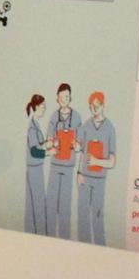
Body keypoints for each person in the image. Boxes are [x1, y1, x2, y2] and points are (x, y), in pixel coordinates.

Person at [78, 90, 118, 245]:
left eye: (96, 106)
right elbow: (82, 153)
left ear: (103, 106)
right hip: (84, 178)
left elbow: (112, 162)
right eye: (91, 107)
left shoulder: (110, 128)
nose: (94, 109)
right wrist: (79, 172)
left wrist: (96, 162)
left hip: (99, 180)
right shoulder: (85, 126)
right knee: (83, 217)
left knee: (97, 216)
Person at [44, 82, 80, 240]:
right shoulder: (54, 117)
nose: (64, 99)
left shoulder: (76, 117)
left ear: (70, 97)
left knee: (65, 204)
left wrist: (75, 144)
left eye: (67, 96)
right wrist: (54, 142)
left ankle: (64, 239)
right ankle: (48, 236)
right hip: (55, 165)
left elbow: (80, 144)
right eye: (61, 97)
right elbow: (48, 141)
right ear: (57, 99)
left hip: (68, 167)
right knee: (52, 203)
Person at [23, 92, 50, 234]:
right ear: (37, 107)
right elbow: (34, 151)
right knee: (38, 205)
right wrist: (49, 152)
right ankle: (41, 235)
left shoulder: (36, 125)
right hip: (35, 169)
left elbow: (37, 145)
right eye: (43, 106)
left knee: (31, 206)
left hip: (33, 169)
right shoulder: (33, 128)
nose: (45, 109)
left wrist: (46, 143)